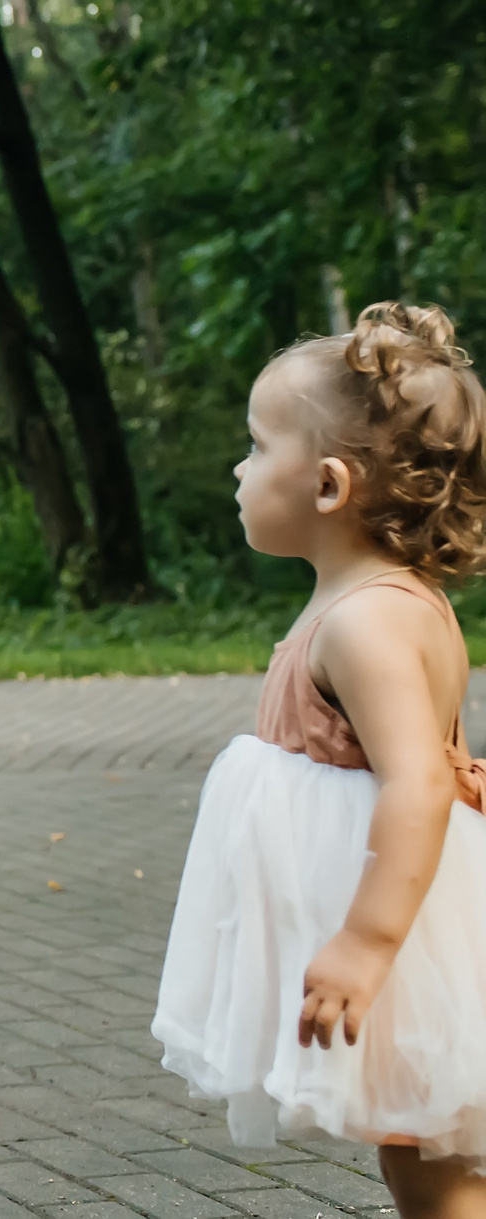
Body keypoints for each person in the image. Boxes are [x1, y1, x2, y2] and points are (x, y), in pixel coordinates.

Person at [154, 301, 486, 1217]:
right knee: (413, 1148)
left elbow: (418, 779)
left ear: (330, 484)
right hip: (390, 893)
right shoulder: (369, 600)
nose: (240, 464)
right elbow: (434, 756)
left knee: (429, 1153)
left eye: (258, 446)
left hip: (397, 916)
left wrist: (366, 943)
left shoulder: (369, 618)